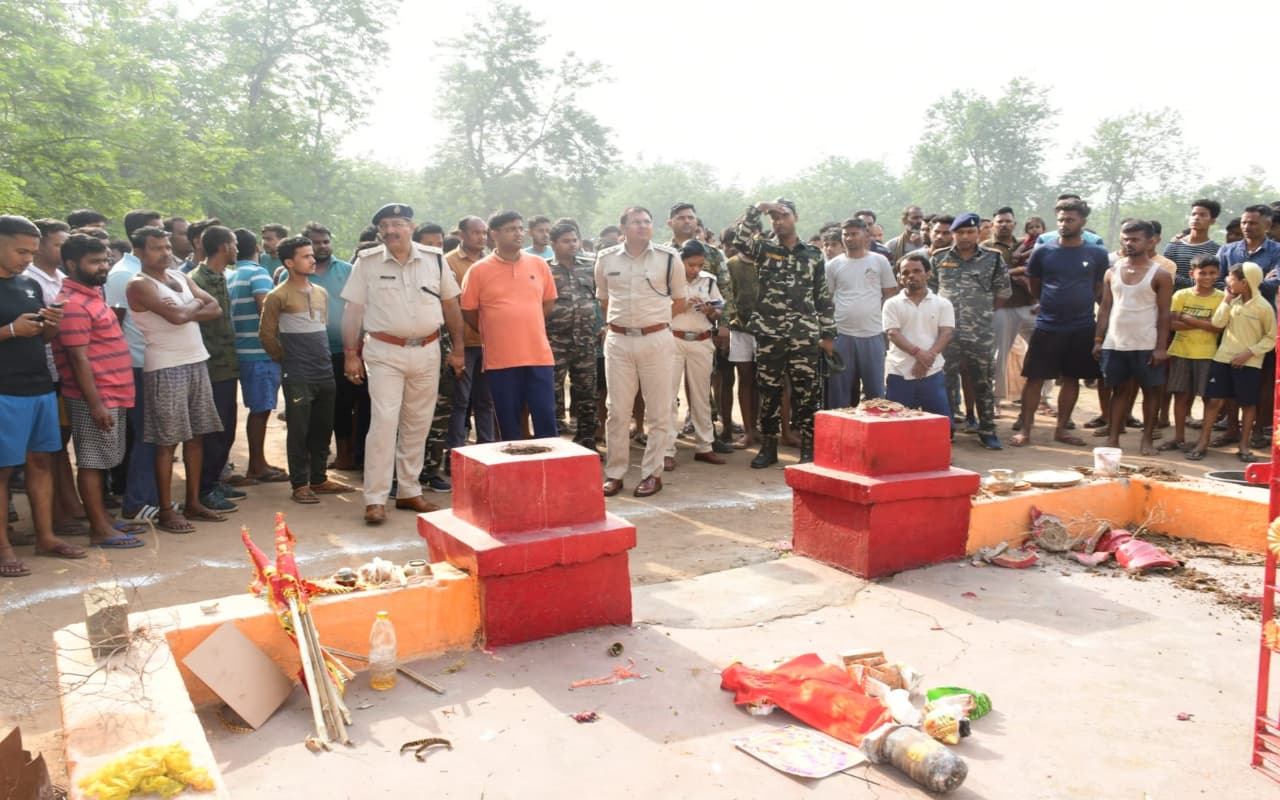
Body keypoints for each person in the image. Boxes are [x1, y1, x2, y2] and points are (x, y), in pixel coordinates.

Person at [341, 203, 466, 524]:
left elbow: (451, 304)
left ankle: (409, 491)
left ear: (411, 226)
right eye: (384, 225)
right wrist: (351, 354)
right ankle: (375, 497)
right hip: (384, 351)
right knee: (383, 423)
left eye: (397, 223)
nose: (390, 230)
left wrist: (459, 349)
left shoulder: (434, 258)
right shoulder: (367, 262)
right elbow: (353, 311)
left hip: (427, 349)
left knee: (418, 422)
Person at [0, 215, 86, 576]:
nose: (28, 259)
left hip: (40, 386)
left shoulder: (29, 285)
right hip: (5, 390)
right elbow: (15, 332)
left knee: (41, 462)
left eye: (32, 252)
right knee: (3, 472)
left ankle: (46, 536)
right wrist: (10, 330)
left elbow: (40, 338)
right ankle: (4, 546)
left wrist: (48, 327)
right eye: (21, 251)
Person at [124, 226, 225, 534]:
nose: (166, 252)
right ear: (139, 253)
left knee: (196, 436)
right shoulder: (139, 284)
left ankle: (193, 502)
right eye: (157, 248)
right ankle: (166, 510)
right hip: (166, 367)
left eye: (167, 247)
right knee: (166, 442)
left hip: (196, 360)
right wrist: (191, 306)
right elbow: (180, 317)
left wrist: (185, 307)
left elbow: (215, 308)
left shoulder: (180, 277)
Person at [54, 233, 143, 548]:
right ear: (71, 264)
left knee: (104, 460)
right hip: (96, 397)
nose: (103, 267)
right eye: (94, 262)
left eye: (105, 260)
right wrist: (96, 405)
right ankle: (99, 529)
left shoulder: (92, 295)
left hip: (111, 392)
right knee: (92, 462)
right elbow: (78, 360)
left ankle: (104, 521)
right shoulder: (73, 304)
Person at [735, 199, 835, 467]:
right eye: (774, 217)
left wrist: (828, 335)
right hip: (771, 334)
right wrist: (757, 209)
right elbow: (741, 240)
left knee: (807, 393)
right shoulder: (764, 248)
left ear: (796, 217)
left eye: (784, 215)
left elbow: (822, 296)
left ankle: (808, 447)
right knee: (769, 391)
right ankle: (768, 447)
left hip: (804, 334)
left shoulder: (813, 254)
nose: (779, 221)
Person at [596, 206, 687, 498]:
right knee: (617, 411)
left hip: (657, 339)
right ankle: (615, 473)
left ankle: (652, 473)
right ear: (623, 227)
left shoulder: (669, 258)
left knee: (659, 410)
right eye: (636, 222)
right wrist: (624, 325)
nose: (643, 226)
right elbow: (604, 300)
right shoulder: (606, 258)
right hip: (619, 340)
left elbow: (680, 300)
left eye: (647, 222)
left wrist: (654, 323)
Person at [259, 236, 353, 504]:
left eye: (312, 255)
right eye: (305, 256)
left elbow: (321, 330)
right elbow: (266, 335)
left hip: (324, 370)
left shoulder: (320, 292)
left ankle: (319, 478)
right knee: (299, 429)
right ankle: (300, 483)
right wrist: (286, 360)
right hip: (298, 374)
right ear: (289, 262)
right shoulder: (277, 296)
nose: (312, 260)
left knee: (323, 427)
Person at [1010, 198, 1111, 447]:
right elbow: (1035, 285)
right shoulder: (1043, 251)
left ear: (1083, 222)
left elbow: (1098, 287)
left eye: (1070, 219)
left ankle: (1061, 429)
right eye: (1061, 219)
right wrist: (1050, 301)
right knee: (1035, 378)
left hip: (1082, 326)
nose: (1064, 224)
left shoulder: (1096, 253)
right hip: (1048, 325)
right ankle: (1026, 430)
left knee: (1072, 378)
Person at [460, 211, 558, 440]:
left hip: (538, 356)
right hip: (501, 360)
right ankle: (515, 474)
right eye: (511, 229)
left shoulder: (538, 265)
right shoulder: (478, 271)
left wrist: (526, 324)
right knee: (509, 424)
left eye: (520, 228)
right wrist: (495, 330)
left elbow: (548, 301)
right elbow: (468, 311)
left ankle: (550, 472)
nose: (518, 233)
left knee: (546, 419)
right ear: (495, 234)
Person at [105, 212, 170, 523]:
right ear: (139, 241)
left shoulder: (154, 273)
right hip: (137, 364)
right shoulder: (122, 275)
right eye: (158, 237)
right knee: (147, 435)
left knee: (157, 435)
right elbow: (114, 325)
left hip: (158, 362)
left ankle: (152, 499)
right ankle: (135, 502)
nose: (165, 245)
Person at [928, 213, 1010, 449]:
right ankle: (948, 427)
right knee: (945, 381)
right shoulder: (940, 258)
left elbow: (1002, 293)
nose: (965, 237)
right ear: (953, 234)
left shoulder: (993, 259)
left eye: (970, 232)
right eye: (960, 232)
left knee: (982, 381)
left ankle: (987, 430)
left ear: (978, 233)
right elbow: (931, 293)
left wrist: (981, 315)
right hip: (946, 334)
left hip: (980, 332)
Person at [27, 218, 87, 535]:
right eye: (57, 243)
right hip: (39, 372)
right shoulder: (28, 279)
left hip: (60, 371)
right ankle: (58, 513)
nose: (63, 249)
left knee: (58, 443)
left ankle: (69, 506)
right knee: (47, 448)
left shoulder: (61, 277)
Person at [1094, 220, 1173, 456]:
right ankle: (1113, 438)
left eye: (1135, 239)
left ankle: (1146, 440)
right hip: (1115, 343)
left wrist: (1160, 347)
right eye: (1126, 239)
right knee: (1118, 391)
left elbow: (1165, 314)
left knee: (1151, 392)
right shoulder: (1112, 272)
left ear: (1150, 242)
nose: (1129, 243)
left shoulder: (1160, 275)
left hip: (1146, 343)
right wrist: (1099, 340)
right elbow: (1105, 308)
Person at [1186, 262, 1276, 463]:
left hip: (1249, 363)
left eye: (1231, 278)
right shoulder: (1232, 301)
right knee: (1214, 401)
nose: (1227, 280)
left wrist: (1248, 354)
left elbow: (1271, 337)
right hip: (1223, 358)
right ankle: (1203, 442)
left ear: (1244, 282)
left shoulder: (1263, 307)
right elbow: (1218, 323)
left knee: (1248, 403)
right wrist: (1226, 299)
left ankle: (1244, 445)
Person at [299, 222, 364, 471]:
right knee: (312, 408)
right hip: (309, 353)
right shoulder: (294, 273)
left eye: (325, 241)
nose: (322, 246)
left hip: (343, 350)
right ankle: (313, 460)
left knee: (344, 405)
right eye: (316, 242)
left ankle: (345, 456)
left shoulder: (348, 270)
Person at [189, 226, 244, 511]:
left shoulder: (219, 277)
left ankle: (215, 482)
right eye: (234, 243)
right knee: (213, 431)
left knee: (227, 429)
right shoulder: (197, 279)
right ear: (224, 246)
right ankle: (205, 488)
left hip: (225, 364)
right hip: (210, 367)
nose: (237, 249)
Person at [228, 227, 285, 485]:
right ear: (258, 250)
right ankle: (256, 465)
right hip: (260, 352)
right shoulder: (258, 272)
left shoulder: (231, 274)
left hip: (240, 349)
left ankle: (258, 462)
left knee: (257, 409)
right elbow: (266, 309)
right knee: (261, 410)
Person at [666, 239, 726, 468]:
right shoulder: (669, 282)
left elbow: (719, 310)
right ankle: (667, 450)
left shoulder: (709, 281)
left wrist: (713, 311)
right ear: (681, 262)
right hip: (673, 339)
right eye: (691, 264)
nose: (695, 270)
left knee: (701, 395)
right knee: (668, 397)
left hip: (701, 340)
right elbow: (661, 313)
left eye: (699, 265)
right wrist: (683, 304)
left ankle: (705, 446)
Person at [824, 218, 897, 406]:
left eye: (854, 233)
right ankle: (838, 433)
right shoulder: (833, 265)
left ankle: (877, 433)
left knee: (875, 392)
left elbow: (889, 294)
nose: (849, 238)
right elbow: (827, 300)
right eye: (845, 234)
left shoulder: (879, 261)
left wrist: (878, 319)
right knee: (839, 390)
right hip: (842, 335)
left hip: (872, 334)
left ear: (866, 235)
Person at [545, 222, 601, 450]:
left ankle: (587, 442)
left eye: (574, 240)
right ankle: (553, 444)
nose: (572, 245)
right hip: (554, 342)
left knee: (587, 394)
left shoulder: (590, 267)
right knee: (551, 395)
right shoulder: (544, 269)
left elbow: (602, 297)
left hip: (586, 342)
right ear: (553, 244)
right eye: (566, 241)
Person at [1161, 255, 1224, 452]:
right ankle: (1178, 438)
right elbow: (1171, 323)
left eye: (1212, 273)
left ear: (1218, 274)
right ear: (1192, 274)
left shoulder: (1221, 298)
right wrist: (1205, 324)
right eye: (1202, 273)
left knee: (1208, 399)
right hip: (1181, 352)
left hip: (1207, 354)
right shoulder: (1181, 295)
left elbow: (1218, 327)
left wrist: (1187, 318)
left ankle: (1203, 441)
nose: (1207, 276)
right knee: (1181, 396)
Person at [445, 216, 497, 452]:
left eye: (484, 233)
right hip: (462, 343)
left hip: (488, 343)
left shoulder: (493, 261)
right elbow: (451, 303)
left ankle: (486, 449)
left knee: (486, 401)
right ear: (461, 235)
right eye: (476, 232)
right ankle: (457, 452)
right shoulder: (448, 262)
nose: (481, 237)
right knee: (460, 401)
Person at [883, 253, 955, 416]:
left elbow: (946, 333)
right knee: (897, 424)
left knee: (940, 425)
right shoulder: (891, 304)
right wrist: (919, 354)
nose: (911, 276)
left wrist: (927, 358)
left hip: (932, 370)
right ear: (899, 277)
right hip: (899, 371)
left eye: (917, 271)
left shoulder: (942, 303)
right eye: (905, 273)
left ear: (928, 274)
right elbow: (893, 333)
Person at [722, 230, 761, 450]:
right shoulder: (731, 264)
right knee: (745, 379)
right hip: (740, 329)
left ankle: (763, 428)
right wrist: (726, 326)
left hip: (766, 330)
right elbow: (728, 298)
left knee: (767, 382)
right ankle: (748, 431)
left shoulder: (767, 261)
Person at [1164, 199, 1222, 290]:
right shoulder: (1174, 246)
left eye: (1202, 215)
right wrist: (1198, 282)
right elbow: (1166, 273)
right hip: (1175, 300)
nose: (1196, 218)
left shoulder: (1217, 250)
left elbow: (1217, 279)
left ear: (1212, 221)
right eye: (1193, 214)